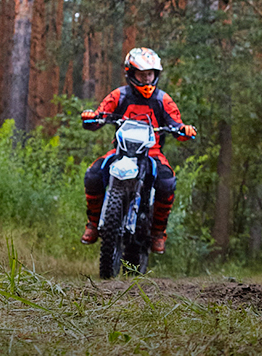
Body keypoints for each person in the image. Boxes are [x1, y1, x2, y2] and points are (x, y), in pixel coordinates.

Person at [79, 47, 196, 254]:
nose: (147, 80)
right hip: (121, 151)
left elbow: (177, 124)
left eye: (150, 75)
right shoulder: (119, 96)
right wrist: (91, 117)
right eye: (142, 75)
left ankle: (158, 232)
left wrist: (184, 129)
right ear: (131, 74)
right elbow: (99, 116)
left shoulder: (163, 99)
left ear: (156, 75)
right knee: (93, 174)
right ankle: (93, 223)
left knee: (167, 181)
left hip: (152, 153)